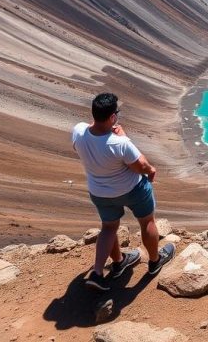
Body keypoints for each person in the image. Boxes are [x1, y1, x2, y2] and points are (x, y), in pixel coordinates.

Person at [71, 92, 175, 291]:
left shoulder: (78, 131)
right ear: (112, 117)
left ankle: (105, 269)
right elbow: (141, 166)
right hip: (132, 189)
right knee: (147, 222)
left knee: (108, 228)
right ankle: (155, 261)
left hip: (100, 192)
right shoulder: (120, 143)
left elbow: (80, 145)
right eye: (115, 114)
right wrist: (150, 170)